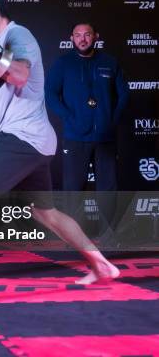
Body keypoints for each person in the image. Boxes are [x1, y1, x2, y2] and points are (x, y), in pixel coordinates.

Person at [0, 0, 119, 305]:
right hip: (36, 140)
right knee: (46, 212)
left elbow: (18, 74)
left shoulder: (17, 36)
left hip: (24, 136)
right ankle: (102, 264)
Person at [46, 22, 128, 238]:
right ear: (72, 38)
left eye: (87, 34)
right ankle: (73, 237)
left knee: (108, 189)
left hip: (105, 137)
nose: (83, 39)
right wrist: (70, 118)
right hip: (75, 137)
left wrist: (112, 119)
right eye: (78, 35)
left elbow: (123, 95)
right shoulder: (63, 64)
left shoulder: (110, 63)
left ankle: (108, 236)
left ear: (96, 37)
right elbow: (51, 95)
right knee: (73, 188)